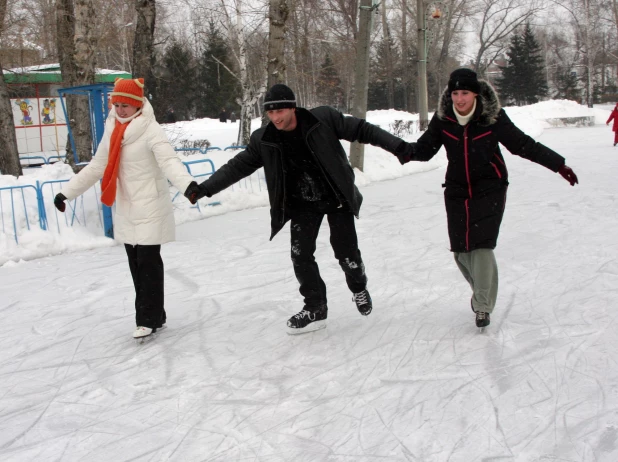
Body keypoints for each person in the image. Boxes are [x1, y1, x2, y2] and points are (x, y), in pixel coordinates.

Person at [189, 84, 412, 334]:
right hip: (302, 202)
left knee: (347, 255)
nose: (276, 118)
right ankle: (315, 306)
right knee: (300, 255)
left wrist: (399, 147)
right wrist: (205, 188)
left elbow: (362, 129)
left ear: (292, 107)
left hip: (336, 195)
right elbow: (238, 166)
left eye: (280, 111)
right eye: (270, 113)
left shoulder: (323, 119)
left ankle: (359, 287)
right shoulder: (265, 139)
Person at [398, 68, 579, 329]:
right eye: (455, 93)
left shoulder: (492, 118)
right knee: (461, 251)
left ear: (475, 93)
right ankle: (481, 291)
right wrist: (398, 149)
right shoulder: (444, 119)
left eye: (465, 93)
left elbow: (522, 145)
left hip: (490, 187)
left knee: (481, 247)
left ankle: (483, 305)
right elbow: (424, 150)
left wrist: (558, 165)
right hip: (457, 189)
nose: (460, 99)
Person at [53, 78, 201, 339]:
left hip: (150, 205)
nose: (120, 110)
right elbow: (97, 166)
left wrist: (188, 185)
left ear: (137, 105)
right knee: (136, 263)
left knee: (147, 262)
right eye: (116, 104)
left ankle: (146, 318)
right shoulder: (112, 130)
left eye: (125, 105)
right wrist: (67, 192)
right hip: (125, 205)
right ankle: (157, 314)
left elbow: (169, 161)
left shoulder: (151, 130)